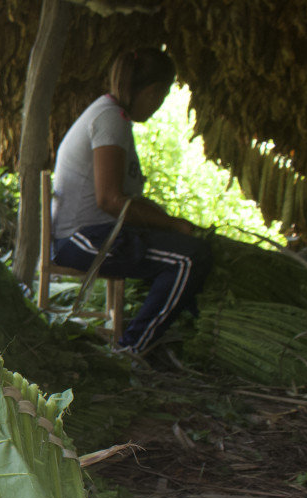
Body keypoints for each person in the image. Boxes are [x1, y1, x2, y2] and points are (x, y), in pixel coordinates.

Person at [51, 47, 212, 355]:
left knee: (183, 249)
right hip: (81, 240)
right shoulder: (111, 119)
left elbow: (122, 198)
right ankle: (132, 350)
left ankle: (148, 338)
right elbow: (111, 201)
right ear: (152, 91)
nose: (158, 105)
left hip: (92, 234)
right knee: (189, 259)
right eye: (162, 97)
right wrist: (171, 223)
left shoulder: (111, 114)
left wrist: (165, 222)